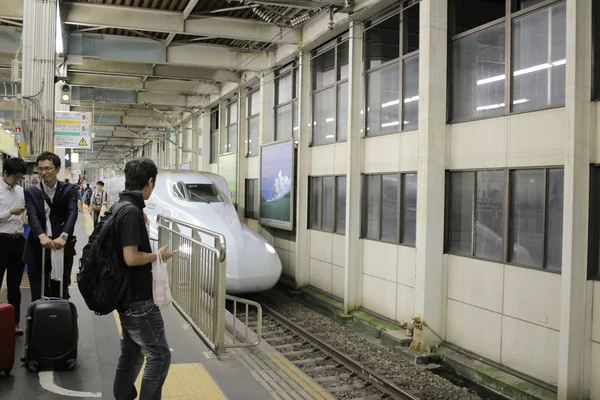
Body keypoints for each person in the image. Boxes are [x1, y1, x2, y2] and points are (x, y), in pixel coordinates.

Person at [113, 157, 174, 400]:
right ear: (149, 182)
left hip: (126, 296)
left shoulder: (122, 206)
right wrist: (158, 255)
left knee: (131, 352)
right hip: (138, 300)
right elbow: (131, 257)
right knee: (159, 356)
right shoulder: (131, 212)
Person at [23, 152, 78, 301]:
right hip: (37, 246)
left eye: (48, 168)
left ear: (58, 169)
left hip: (61, 245)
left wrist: (64, 236)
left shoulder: (69, 189)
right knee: (37, 288)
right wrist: (41, 236)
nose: (44, 172)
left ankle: (61, 319)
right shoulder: (31, 192)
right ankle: (37, 320)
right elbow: (32, 215)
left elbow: (73, 212)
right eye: (40, 169)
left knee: (61, 287)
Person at [0, 157, 27, 335]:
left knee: (15, 286)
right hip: (1, 240)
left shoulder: (20, 191)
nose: (17, 181)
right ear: (5, 173)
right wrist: (10, 212)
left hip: (18, 240)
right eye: (14, 177)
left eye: (19, 178)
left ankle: (14, 322)